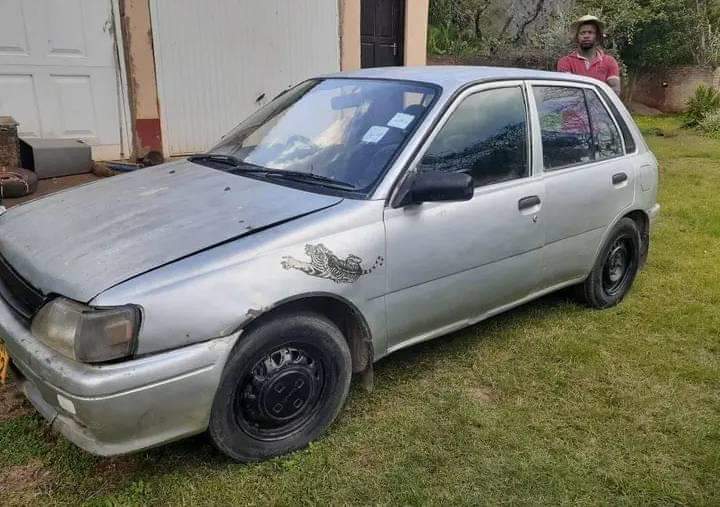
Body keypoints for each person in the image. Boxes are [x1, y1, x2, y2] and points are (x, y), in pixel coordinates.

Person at [557, 15, 621, 95]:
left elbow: (615, 90)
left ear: (597, 37)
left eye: (590, 32)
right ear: (577, 37)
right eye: (582, 33)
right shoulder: (565, 62)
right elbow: (567, 91)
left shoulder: (609, 61)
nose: (586, 36)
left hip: (598, 107)